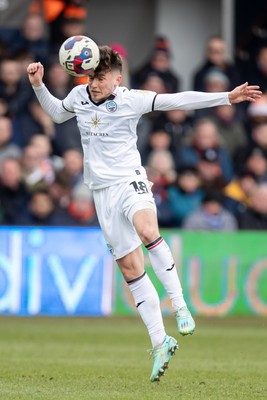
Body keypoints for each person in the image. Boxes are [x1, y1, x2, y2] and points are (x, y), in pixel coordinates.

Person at [27, 45, 261, 383]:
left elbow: (178, 100)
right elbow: (56, 114)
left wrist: (227, 97)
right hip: (101, 191)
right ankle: (160, 341)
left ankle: (179, 304)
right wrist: (38, 85)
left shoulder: (131, 99)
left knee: (148, 230)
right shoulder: (78, 95)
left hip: (130, 180)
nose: (94, 84)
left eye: (102, 78)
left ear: (117, 79)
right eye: (92, 77)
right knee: (130, 268)